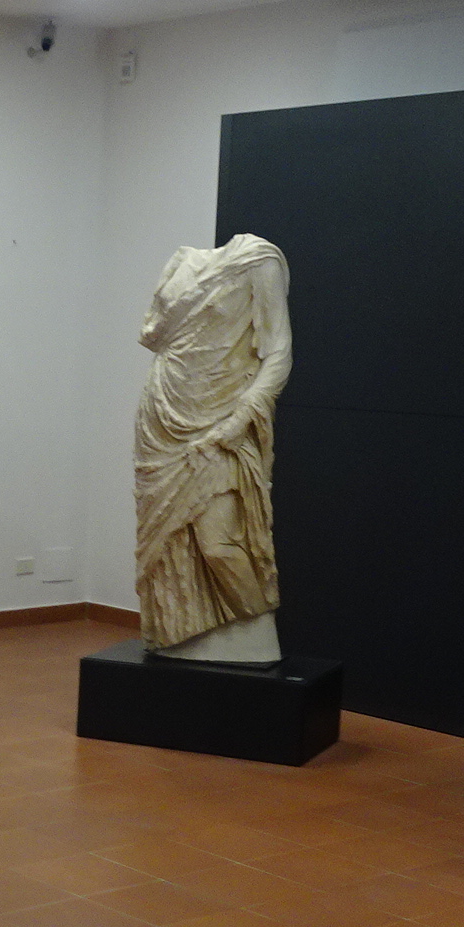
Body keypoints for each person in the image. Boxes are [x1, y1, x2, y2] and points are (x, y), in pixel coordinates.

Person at [133, 233, 291, 662]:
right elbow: (152, 336)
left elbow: (279, 354)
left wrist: (240, 421)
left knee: (218, 544)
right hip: (162, 419)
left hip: (219, 420)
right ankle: (177, 634)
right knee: (167, 545)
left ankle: (254, 637)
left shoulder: (258, 260)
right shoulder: (180, 261)